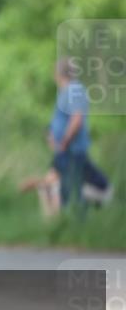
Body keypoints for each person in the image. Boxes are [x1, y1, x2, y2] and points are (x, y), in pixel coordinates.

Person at [48, 58, 112, 213]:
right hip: (66, 150)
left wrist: (64, 141)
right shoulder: (67, 91)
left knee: (71, 186)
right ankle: (60, 221)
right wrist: (51, 135)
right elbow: (62, 119)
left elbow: (77, 119)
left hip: (72, 149)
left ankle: (74, 219)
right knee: (58, 183)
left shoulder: (74, 90)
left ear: (58, 74)